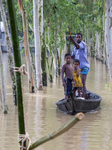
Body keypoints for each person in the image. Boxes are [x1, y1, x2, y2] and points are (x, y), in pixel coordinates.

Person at [70, 33, 89, 98]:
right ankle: (80, 96)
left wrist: (72, 40)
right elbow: (73, 56)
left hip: (84, 67)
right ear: (75, 38)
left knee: (83, 83)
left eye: (79, 37)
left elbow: (78, 47)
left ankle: (84, 97)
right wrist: (69, 56)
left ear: (81, 38)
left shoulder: (82, 44)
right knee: (77, 84)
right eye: (77, 37)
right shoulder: (74, 48)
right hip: (78, 68)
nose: (78, 38)